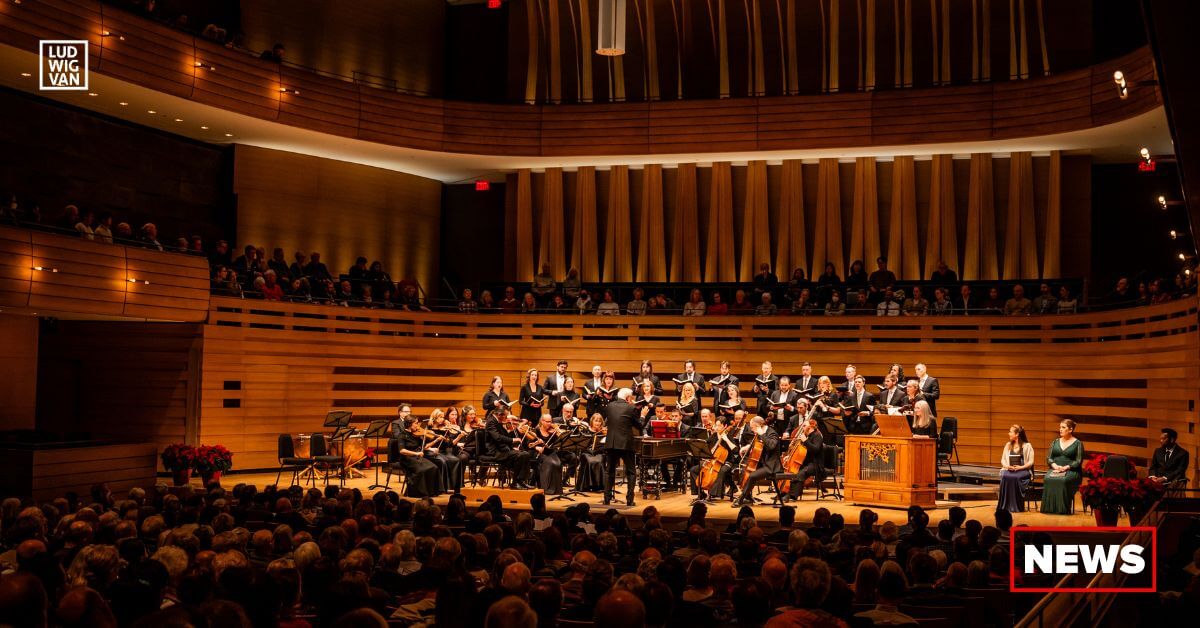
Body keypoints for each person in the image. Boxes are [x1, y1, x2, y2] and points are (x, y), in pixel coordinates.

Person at [604, 388, 647, 506]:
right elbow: (639, 425)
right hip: (625, 443)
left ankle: (606, 499)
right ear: (628, 398)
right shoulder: (631, 408)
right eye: (631, 397)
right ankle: (629, 500)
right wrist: (642, 415)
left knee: (609, 471)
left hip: (611, 443)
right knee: (631, 472)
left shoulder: (610, 406)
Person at [732, 416, 782, 507]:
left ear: (758, 426)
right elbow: (757, 445)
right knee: (744, 470)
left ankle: (741, 499)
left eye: (752, 428)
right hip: (762, 463)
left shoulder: (772, 433)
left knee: (752, 476)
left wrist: (762, 434)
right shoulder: (758, 433)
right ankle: (748, 497)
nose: (751, 430)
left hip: (771, 465)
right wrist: (747, 447)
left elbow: (771, 446)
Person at [391, 415, 443, 498]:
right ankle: (418, 493)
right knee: (421, 470)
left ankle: (431, 492)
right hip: (406, 458)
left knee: (434, 467)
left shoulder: (416, 434)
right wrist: (416, 454)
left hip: (417, 457)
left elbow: (425, 446)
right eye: (415, 423)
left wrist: (436, 440)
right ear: (409, 424)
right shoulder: (402, 435)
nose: (417, 426)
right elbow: (402, 451)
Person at [1040, 419, 1084, 514]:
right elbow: (1049, 458)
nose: (1060, 429)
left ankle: (1062, 509)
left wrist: (1066, 467)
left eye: (1063, 427)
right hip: (1055, 468)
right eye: (1060, 427)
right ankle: (1048, 509)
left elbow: (1078, 461)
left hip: (1072, 470)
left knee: (1063, 480)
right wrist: (1055, 465)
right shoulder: (1055, 442)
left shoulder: (1078, 443)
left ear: (1070, 429)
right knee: (1048, 478)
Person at [486, 406, 534, 489]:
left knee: (525, 454)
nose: (507, 418)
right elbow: (497, 437)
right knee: (521, 455)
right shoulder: (491, 422)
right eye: (506, 416)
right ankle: (516, 483)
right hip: (496, 452)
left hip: (502, 449)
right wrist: (513, 440)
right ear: (500, 415)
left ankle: (520, 481)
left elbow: (504, 436)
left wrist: (511, 447)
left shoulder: (498, 421)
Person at [783, 418, 825, 503]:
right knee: (792, 471)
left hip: (816, 464)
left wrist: (805, 441)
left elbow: (815, 449)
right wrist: (790, 456)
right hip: (806, 462)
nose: (802, 428)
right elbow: (800, 451)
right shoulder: (807, 436)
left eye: (805, 426)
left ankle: (792, 496)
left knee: (801, 473)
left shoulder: (817, 435)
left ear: (811, 427)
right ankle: (783, 493)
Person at [997, 424, 1035, 512]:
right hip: (1010, 469)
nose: (1008, 433)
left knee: (1015, 477)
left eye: (1010, 432)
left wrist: (1020, 467)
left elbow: (1030, 462)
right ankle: (1004, 506)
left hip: (1023, 470)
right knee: (1005, 476)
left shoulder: (1027, 446)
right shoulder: (1008, 445)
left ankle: (1016, 506)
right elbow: (1003, 459)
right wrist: (1007, 466)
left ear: (1017, 434)